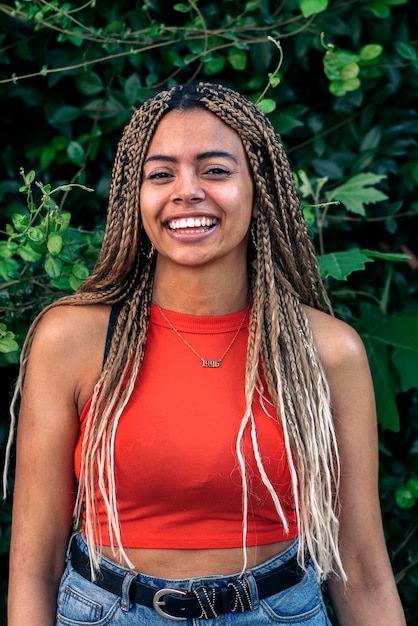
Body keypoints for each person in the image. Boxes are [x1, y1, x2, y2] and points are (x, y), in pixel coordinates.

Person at [5, 81, 405, 625]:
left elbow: (361, 566)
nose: (186, 190)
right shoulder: (73, 341)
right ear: (134, 197)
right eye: (161, 173)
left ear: (259, 188)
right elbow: (34, 567)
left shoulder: (326, 352)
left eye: (215, 170)